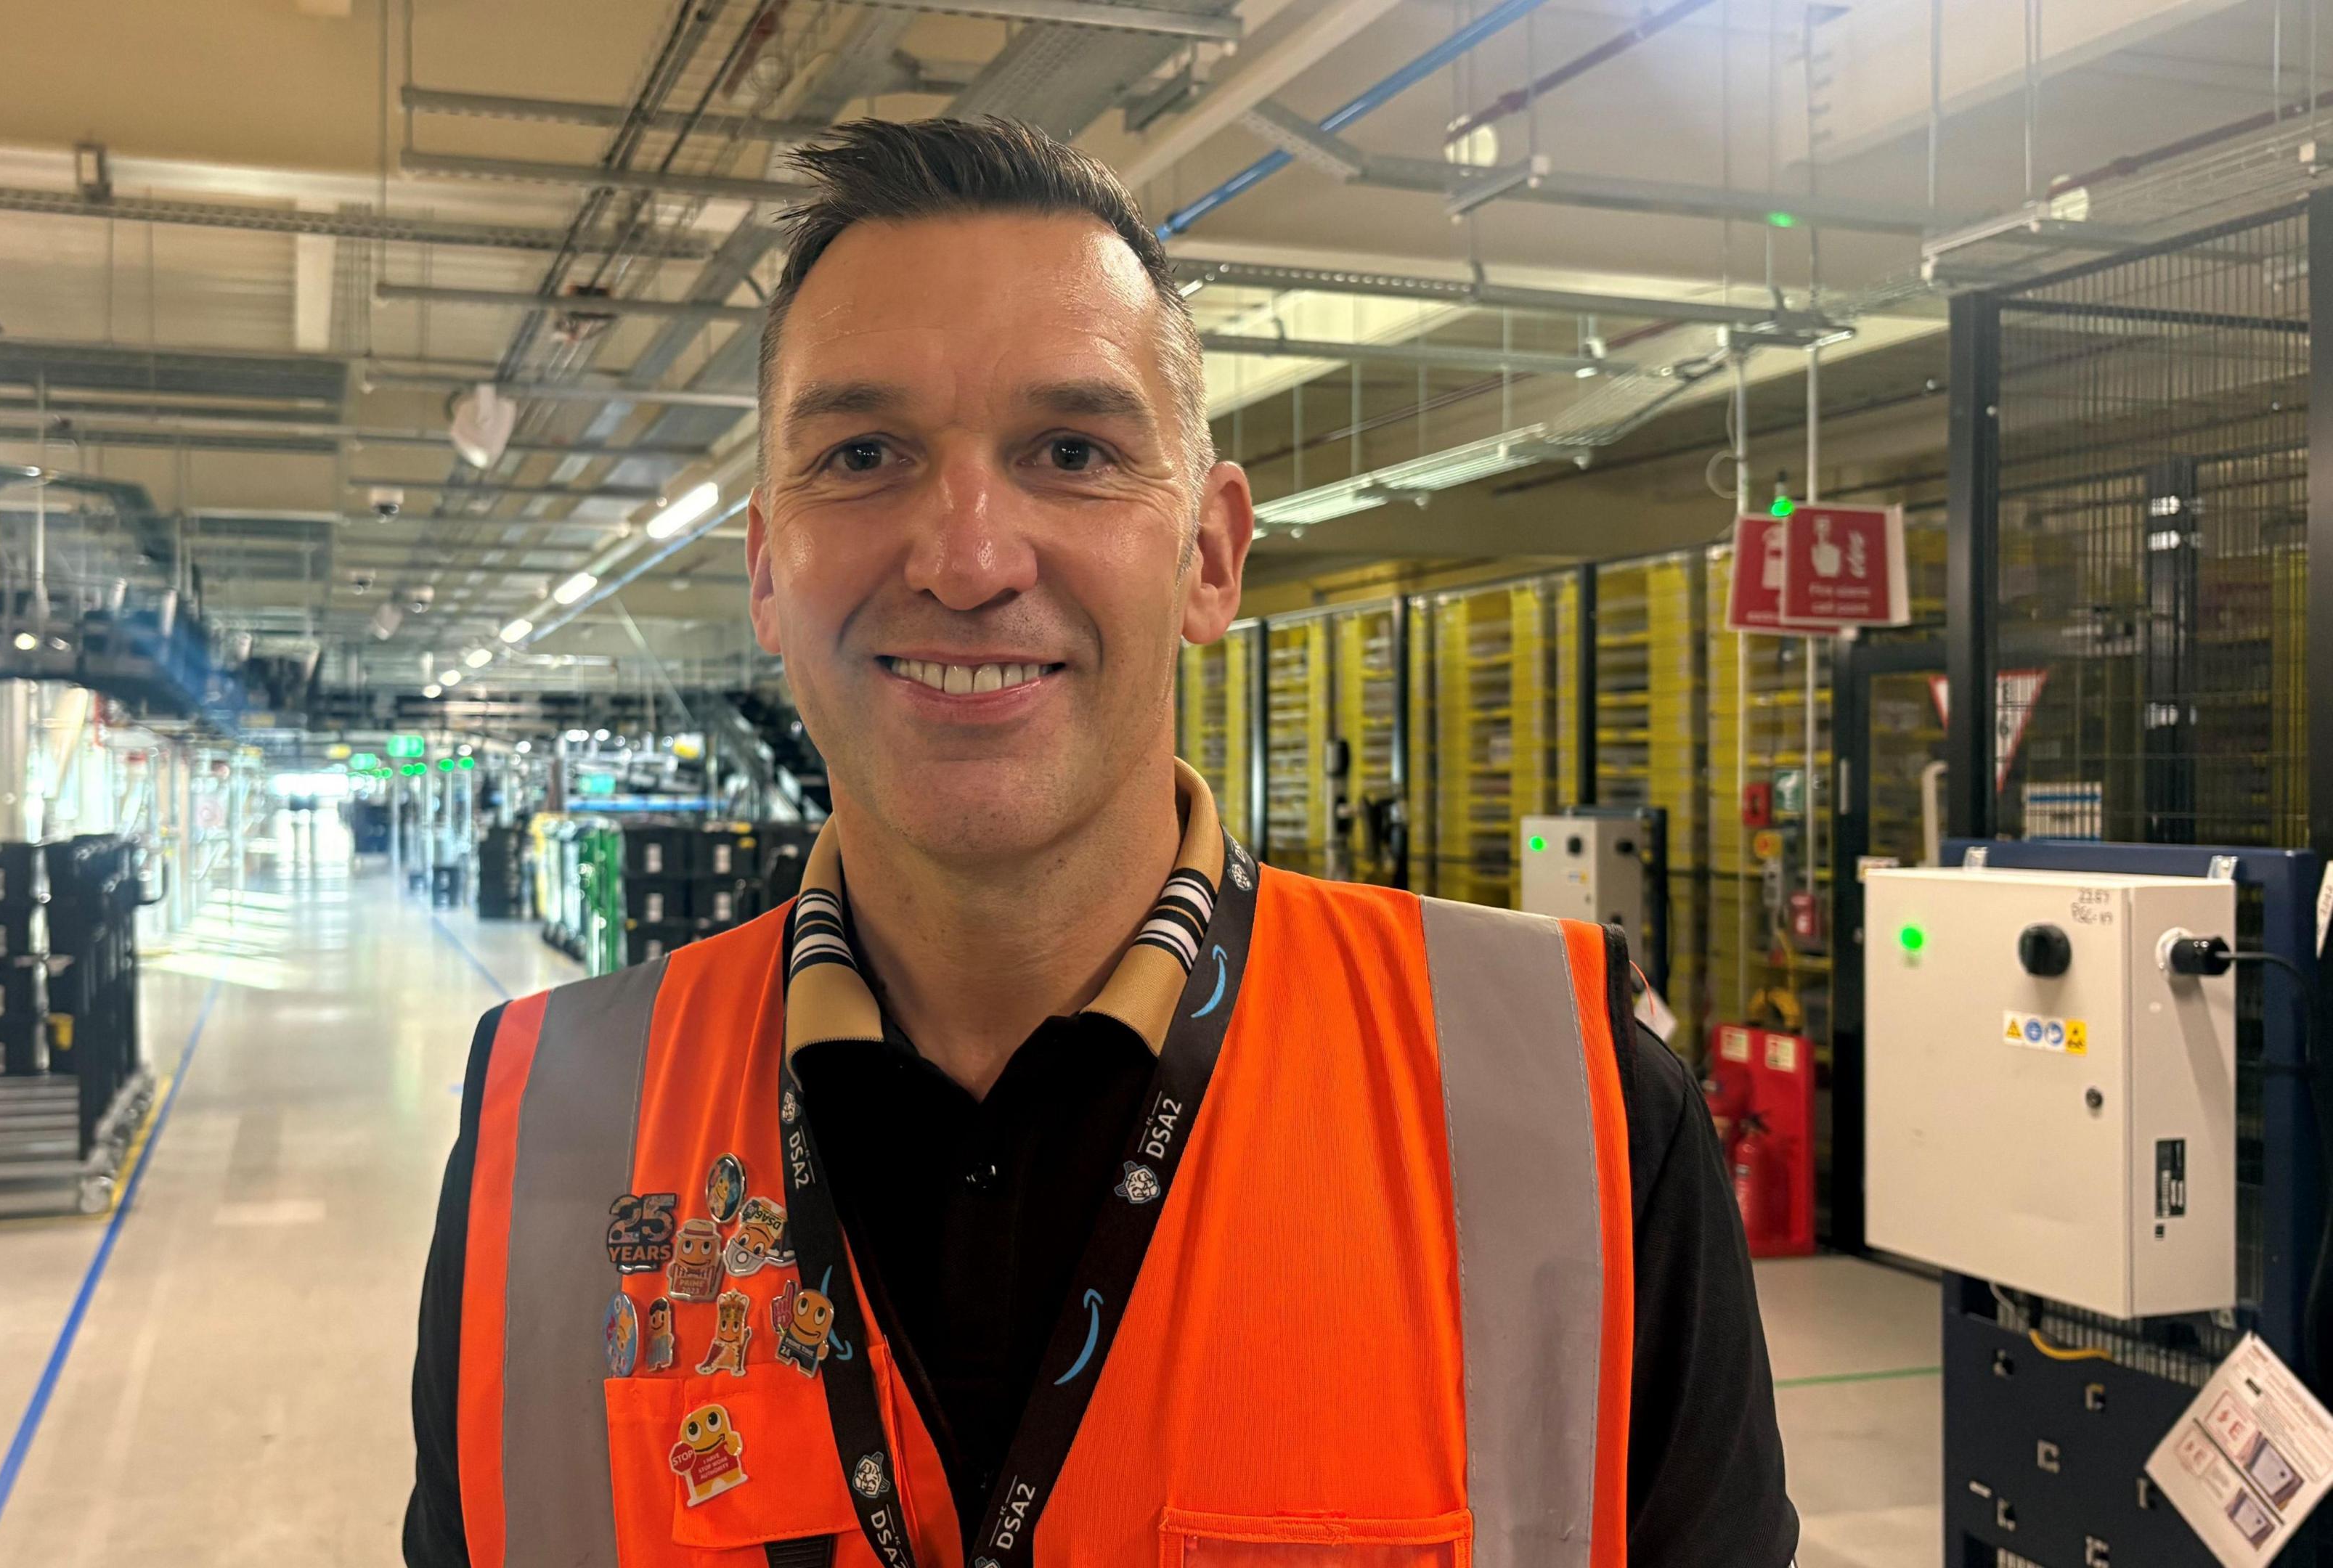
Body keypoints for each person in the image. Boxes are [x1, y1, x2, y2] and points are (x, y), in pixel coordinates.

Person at [405, 118, 1796, 1568]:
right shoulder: (548, 1136)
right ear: (766, 569)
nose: (967, 560)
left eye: (1072, 452)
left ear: (1210, 556)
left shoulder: (1573, 1106)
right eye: (863, 454)